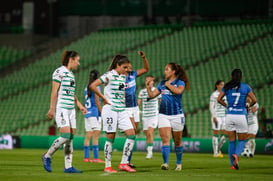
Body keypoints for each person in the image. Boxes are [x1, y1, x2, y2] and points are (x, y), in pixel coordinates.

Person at [90, 54, 136, 173]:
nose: (127, 70)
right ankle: (107, 166)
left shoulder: (123, 77)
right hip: (110, 110)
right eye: (125, 67)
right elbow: (93, 85)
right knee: (111, 137)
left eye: (128, 68)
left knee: (131, 134)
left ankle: (124, 163)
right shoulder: (109, 75)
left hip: (122, 110)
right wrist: (103, 98)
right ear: (118, 65)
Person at [42, 50, 87, 173]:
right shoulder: (59, 72)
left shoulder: (71, 75)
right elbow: (54, 91)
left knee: (70, 137)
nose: (78, 63)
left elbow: (71, 94)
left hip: (71, 109)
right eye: (77, 60)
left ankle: (68, 166)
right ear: (71, 59)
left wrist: (79, 105)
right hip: (61, 108)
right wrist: (52, 108)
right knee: (66, 135)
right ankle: (47, 155)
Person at [146, 62, 190, 171]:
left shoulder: (180, 82)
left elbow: (178, 91)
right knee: (165, 139)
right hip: (163, 115)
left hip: (177, 115)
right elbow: (152, 95)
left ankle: (178, 163)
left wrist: (168, 85)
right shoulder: (162, 83)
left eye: (167, 69)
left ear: (173, 71)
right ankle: (165, 163)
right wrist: (148, 87)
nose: (164, 71)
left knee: (177, 141)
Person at [217, 68, 257, 170]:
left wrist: (227, 106)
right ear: (241, 77)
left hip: (230, 115)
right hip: (241, 115)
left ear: (231, 76)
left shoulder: (227, 87)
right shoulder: (246, 87)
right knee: (242, 139)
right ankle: (237, 155)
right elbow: (254, 100)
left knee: (231, 141)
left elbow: (218, 99)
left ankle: (232, 164)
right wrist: (247, 106)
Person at [125, 50, 149, 167]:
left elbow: (146, 69)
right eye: (128, 65)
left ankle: (128, 161)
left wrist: (144, 58)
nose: (130, 67)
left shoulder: (133, 74)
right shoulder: (119, 77)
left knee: (133, 135)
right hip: (126, 109)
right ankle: (126, 161)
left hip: (135, 108)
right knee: (132, 132)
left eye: (130, 65)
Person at [83, 70, 104, 163]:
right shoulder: (96, 87)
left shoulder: (86, 87)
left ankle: (86, 157)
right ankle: (96, 158)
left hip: (87, 113)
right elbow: (97, 101)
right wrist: (101, 112)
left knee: (88, 136)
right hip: (94, 113)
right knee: (96, 136)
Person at [138, 75, 161, 159]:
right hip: (145, 116)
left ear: (153, 82)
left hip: (154, 115)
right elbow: (139, 103)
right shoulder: (142, 92)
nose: (148, 82)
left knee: (150, 132)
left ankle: (150, 152)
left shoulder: (156, 91)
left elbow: (161, 101)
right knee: (147, 134)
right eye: (147, 80)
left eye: (150, 80)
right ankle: (149, 150)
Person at [209, 80, 228, 158]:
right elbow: (211, 106)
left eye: (223, 85)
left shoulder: (225, 94)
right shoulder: (214, 94)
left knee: (226, 134)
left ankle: (218, 149)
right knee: (216, 133)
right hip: (217, 116)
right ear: (217, 85)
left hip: (224, 117)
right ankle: (215, 153)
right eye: (221, 85)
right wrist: (214, 116)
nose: (222, 86)